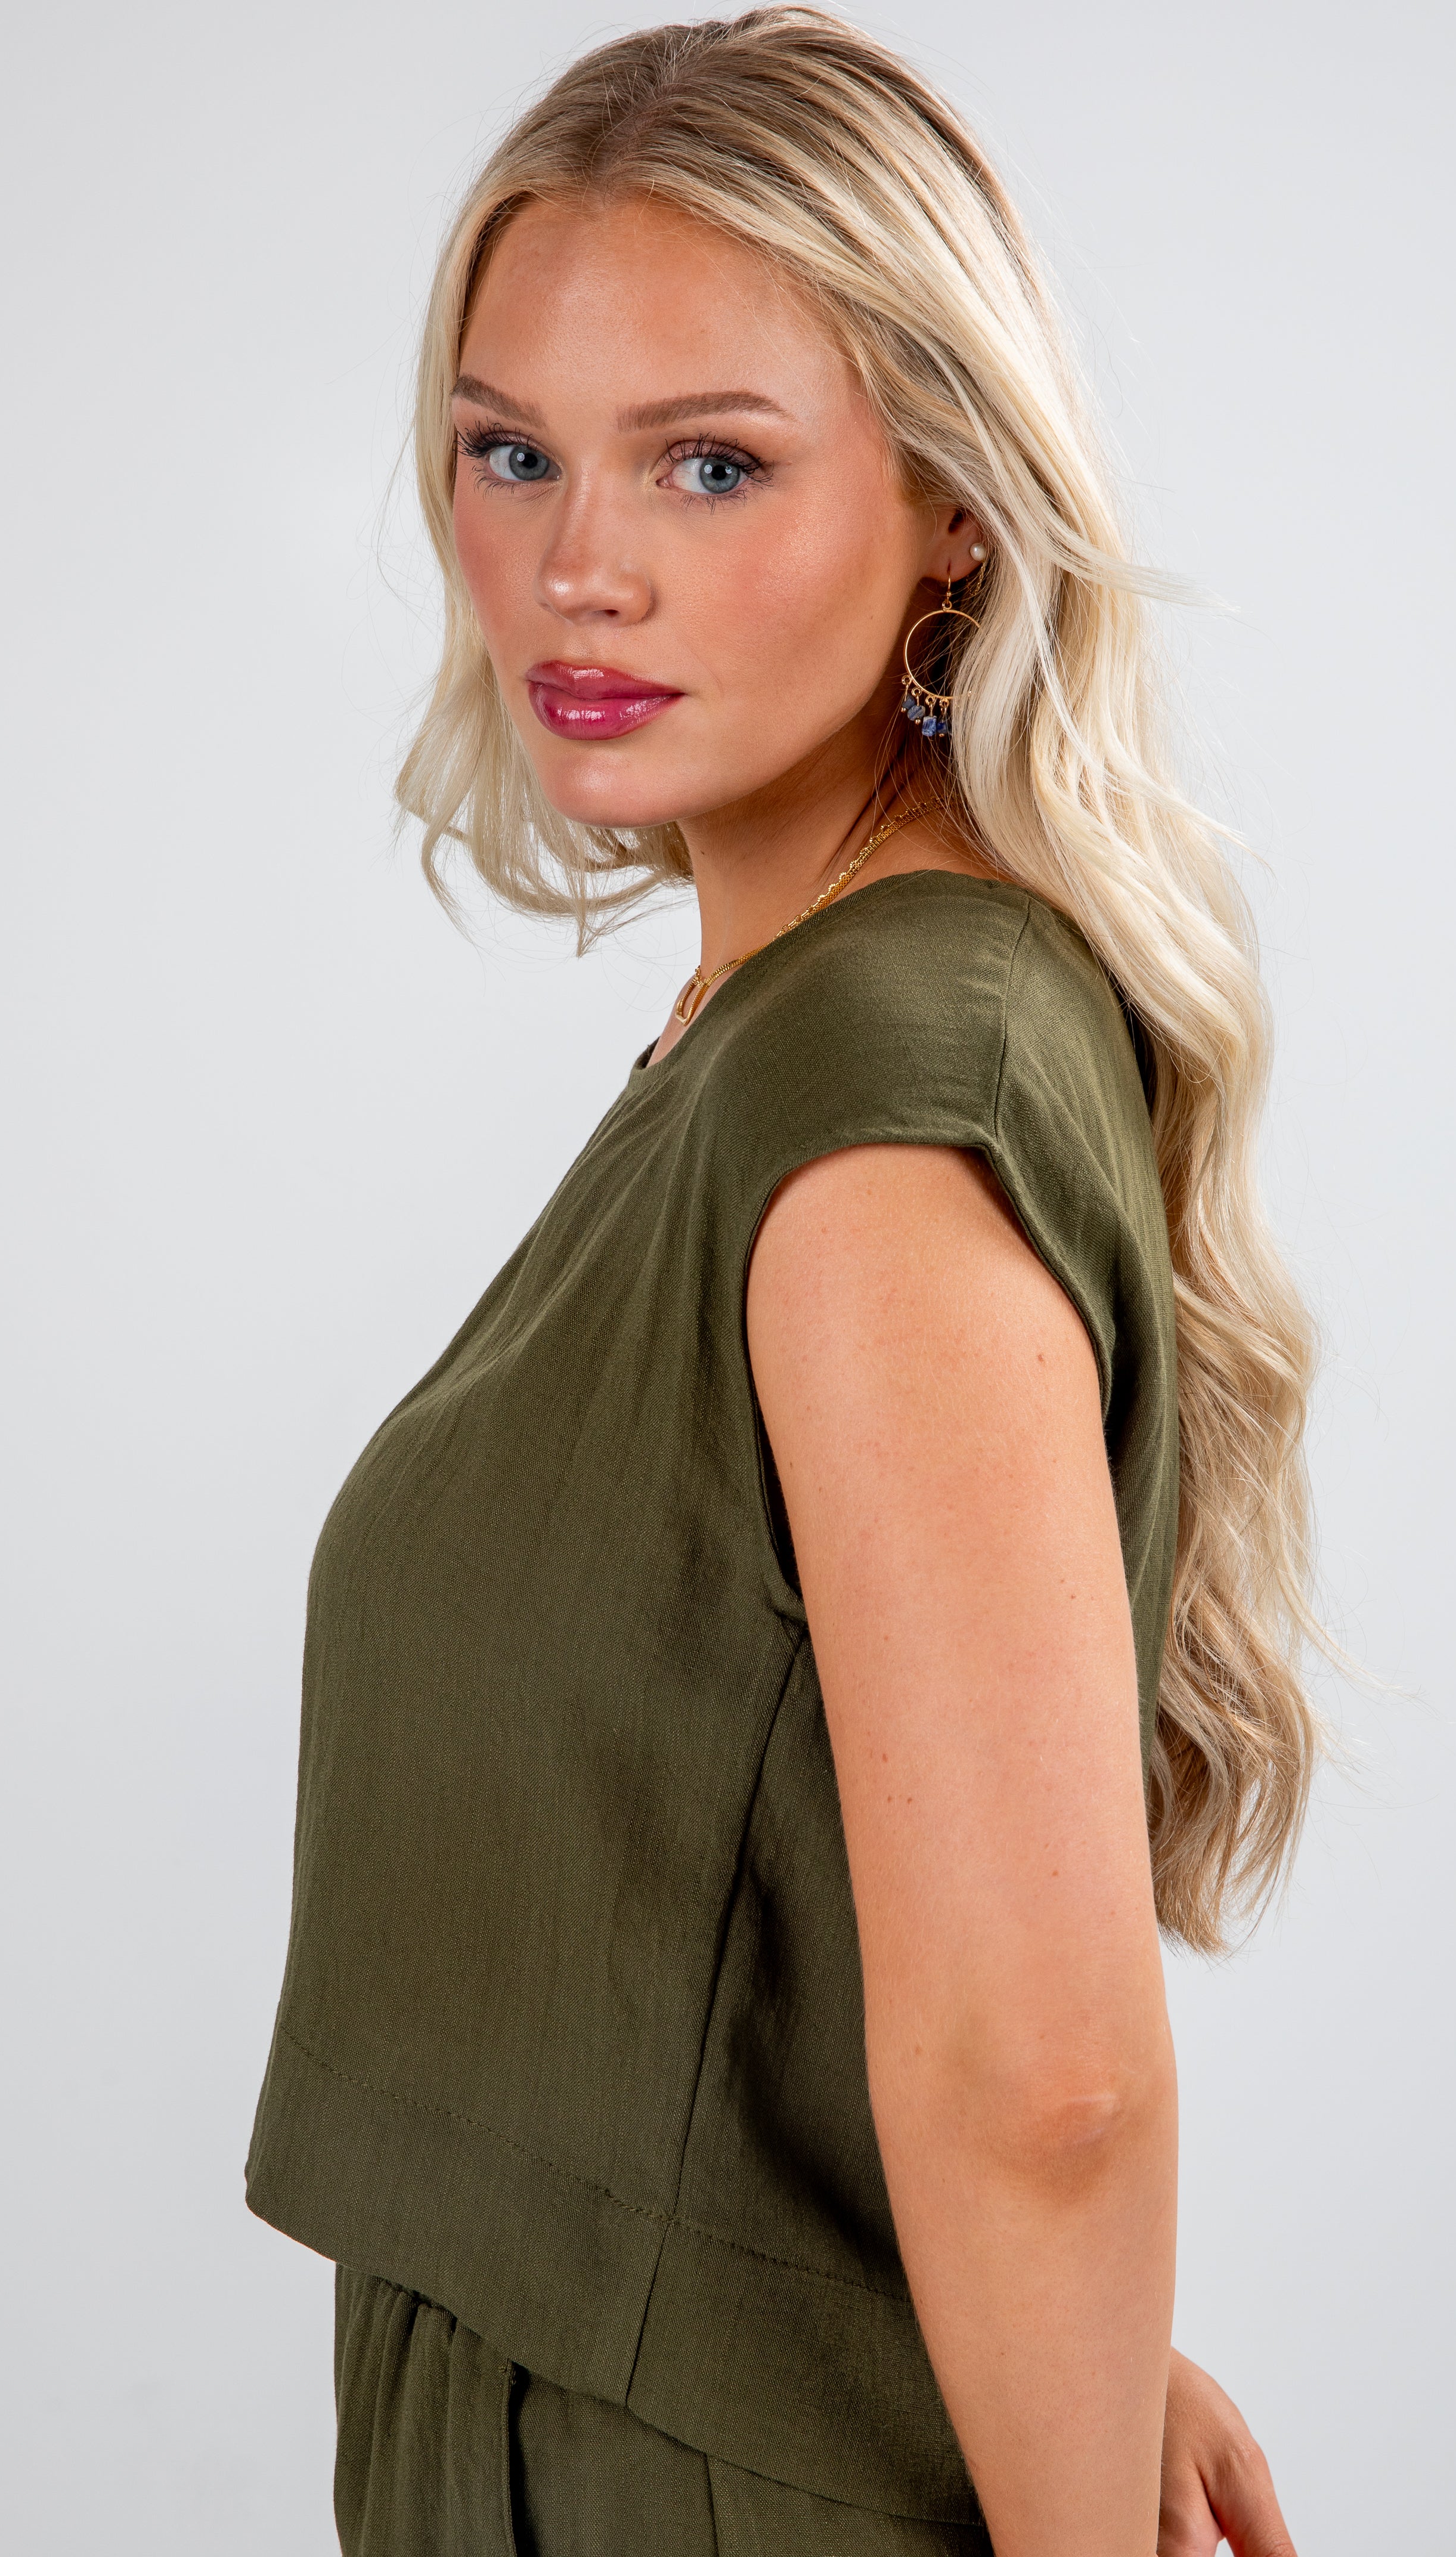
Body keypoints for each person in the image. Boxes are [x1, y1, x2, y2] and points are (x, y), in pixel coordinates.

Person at [246, 14, 1320, 2553]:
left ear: (950, 502)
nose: (575, 568)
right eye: (509, 450)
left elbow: (1044, 2080)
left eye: (708, 462)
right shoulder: (798, 1024)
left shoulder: (869, 1096)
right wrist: (1031, 2351)